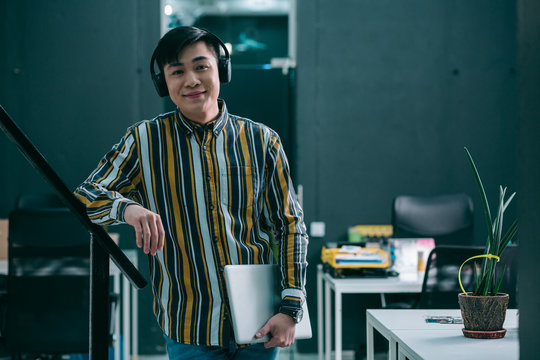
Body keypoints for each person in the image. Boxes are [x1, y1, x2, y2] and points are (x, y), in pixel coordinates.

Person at [75, 26, 308, 359]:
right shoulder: (143, 141)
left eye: (201, 67)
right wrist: (127, 208)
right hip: (189, 328)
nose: (192, 80)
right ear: (164, 83)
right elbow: (85, 195)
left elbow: (289, 226)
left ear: (220, 70)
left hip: (262, 321)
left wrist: (291, 307)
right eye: (177, 72)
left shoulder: (262, 141)